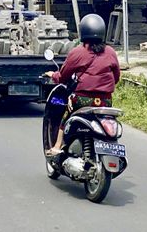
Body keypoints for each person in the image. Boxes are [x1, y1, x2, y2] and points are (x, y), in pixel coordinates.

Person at [44, 13, 121, 156]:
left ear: (83, 32)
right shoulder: (110, 52)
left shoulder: (77, 52)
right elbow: (116, 77)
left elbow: (63, 76)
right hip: (105, 101)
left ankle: (57, 146)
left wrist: (52, 75)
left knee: (65, 117)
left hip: (81, 99)